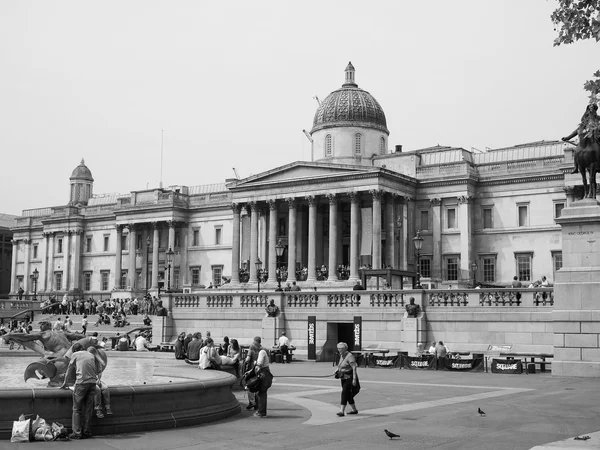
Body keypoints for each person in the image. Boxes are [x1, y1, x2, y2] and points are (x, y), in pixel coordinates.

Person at [59, 342, 98, 440]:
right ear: (82, 348)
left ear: (75, 350)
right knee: (89, 409)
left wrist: (65, 383)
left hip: (81, 383)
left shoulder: (75, 354)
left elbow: (69, 370)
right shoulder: (90, 354)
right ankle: (87, 432)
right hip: (93, 383)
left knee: (76, 409)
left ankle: (77, 433)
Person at [563, 103, 600, 173]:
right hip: (586, 138)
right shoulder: (585, 121)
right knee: (577, 150)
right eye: (589, 107)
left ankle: (598, 162)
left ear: (595, 109)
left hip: (596, 136)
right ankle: (576, 167)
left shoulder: (598, 118)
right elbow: (577, 130)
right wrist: (567, 138)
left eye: (592, 107)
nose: (590, 109)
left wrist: (597, 128)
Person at [247, 340, 273, 418]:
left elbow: (260, 363)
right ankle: (261, 411)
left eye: (254, 350)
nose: (254, 352)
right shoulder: (262, 351)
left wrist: (255, 363)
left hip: (263, 374)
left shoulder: (261, 352)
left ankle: (261, 412)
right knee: (262, 393)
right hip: (266, 374)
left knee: (261, 393)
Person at [334, 342, 359, 417]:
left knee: (344, 392)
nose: (339, 350)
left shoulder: (349, 356)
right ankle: (354, 410)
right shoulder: (342, 355)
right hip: (343, 377)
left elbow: (354, 368)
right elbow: (341, 365)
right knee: (348, 394)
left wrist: (354, 379)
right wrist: (337, 370)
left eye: (341, 349)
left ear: (345, 349)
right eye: (338, 348)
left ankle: (341, 411)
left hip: (349, 377)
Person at [88, 346, 112, 418]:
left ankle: (107, 407)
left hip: (95, 379)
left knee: (105, 388)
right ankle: (98, 409)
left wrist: (98, 379)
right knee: (97, 389)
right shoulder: (87, 361)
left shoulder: (98, 362)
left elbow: (99, 372)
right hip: (88, 380)